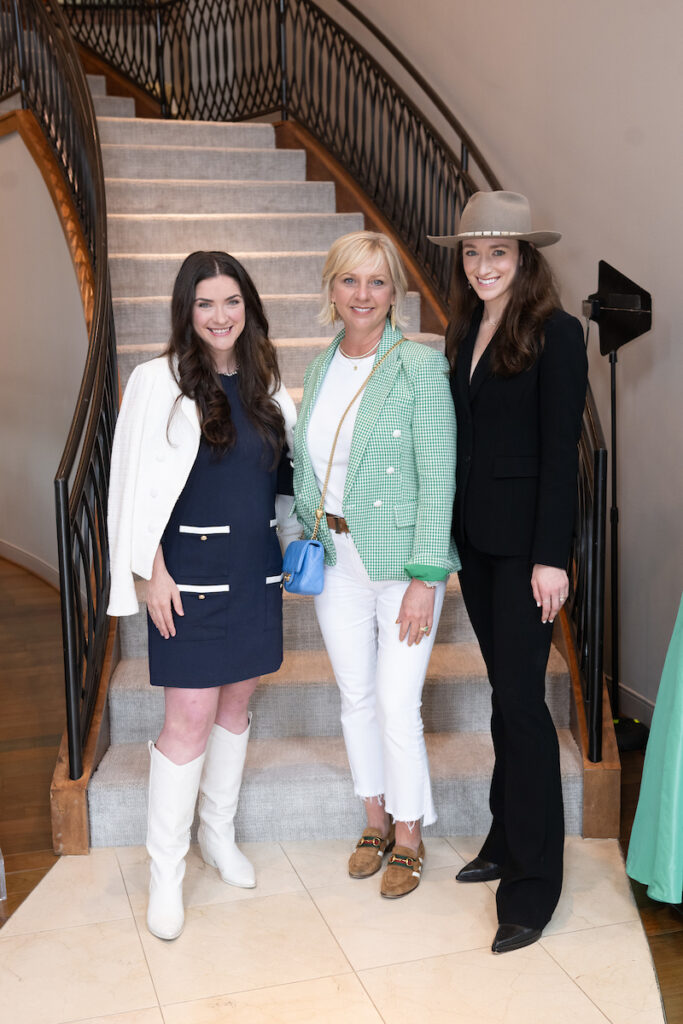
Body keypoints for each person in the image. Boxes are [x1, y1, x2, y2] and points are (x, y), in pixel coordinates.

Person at [107, 250, 298, 940]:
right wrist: (148, 569)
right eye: (205, 303)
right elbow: (129, 483)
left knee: (238, 702)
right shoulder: (155, 381)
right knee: (186, 718)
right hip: (184, 577)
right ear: (186, 312)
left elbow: (282, 483)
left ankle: (217, 837)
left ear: (248, 307)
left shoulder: (268, 385)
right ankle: (166, 872)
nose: (220, 316)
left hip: (253, 571)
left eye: (231, 301)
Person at [429, 191, 588, 953]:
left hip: (527, 553)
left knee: (524, 709)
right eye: (470, 252)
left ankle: (533, 884)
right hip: (478, 544)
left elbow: (561, 453)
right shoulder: (462, 327)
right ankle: (502, 835)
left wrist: (552, 556)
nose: (482, 265)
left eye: (497, 252)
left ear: (523, 257)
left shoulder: (556, 333)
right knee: (503, 697)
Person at [293, 230, 459, 898]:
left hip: (400, 565)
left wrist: (426, 578)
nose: (362, 295)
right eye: (349, 281)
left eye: (377, 282)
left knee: (395, 702)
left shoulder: (418, 366)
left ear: (395, 292)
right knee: (355, 696)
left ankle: (410, 833)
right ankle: (374, 818)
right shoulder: (319, 365)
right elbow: (311, 463)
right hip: (336, 555)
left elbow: (437, 474)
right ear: (331, 288)